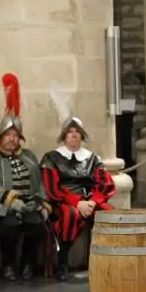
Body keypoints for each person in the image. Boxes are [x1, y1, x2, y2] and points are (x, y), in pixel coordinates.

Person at [0, 74, 51, 281]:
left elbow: (39, 183)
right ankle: (8, 265)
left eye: (15, 135)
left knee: (36, 223)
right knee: (9, 226)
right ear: (1, 137)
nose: (12, 138)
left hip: (28, 204)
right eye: (8, 135)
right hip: (0, 206)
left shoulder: (28, 157)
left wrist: (40, 203)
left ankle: (28, 263)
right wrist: (10, 199)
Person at [40, 113, 115, 281]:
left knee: (110, 215)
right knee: (70, 216)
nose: (73, 134)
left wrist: (93, 202)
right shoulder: (51, 158)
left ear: (82, 135)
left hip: (90, 201)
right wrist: (77, 203)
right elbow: (52, 188)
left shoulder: (92, 158)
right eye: (70, 131)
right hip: (64, 201)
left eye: (77, 131)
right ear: (64, 135)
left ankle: (108, 261)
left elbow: (104, 183)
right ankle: (62, 262)